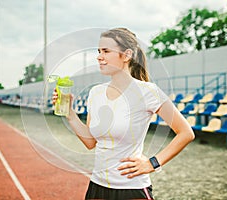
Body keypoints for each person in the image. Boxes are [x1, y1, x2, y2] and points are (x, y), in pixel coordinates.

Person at [52, 28, 195, 200]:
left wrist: (152, 163)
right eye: (98, 51)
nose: (99, 56)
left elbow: (186, 133)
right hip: (97, 187)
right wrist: (70, 114)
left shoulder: (147, 92)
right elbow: (91, 142)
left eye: (106, 51)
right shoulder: (95, 93)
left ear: (126, 55)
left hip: (131, 188)